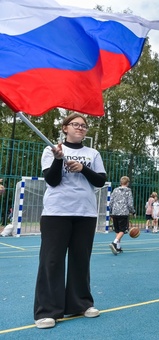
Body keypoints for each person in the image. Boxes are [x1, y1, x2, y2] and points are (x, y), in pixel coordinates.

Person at [34, 113, 107, 329]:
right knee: (52, 261)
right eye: (76, 125)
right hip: (57, 212)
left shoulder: (92, 153)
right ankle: (48, 311)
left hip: (85, 213)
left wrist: (83, 169)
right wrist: (59, 160)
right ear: (65, 128)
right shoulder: (51, 150)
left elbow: (100, 181)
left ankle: (80, 304)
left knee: (80, 260)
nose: (81, 128)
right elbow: (52, 181)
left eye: (84, 126)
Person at [109, 176, 135, 255]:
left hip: (115, 212)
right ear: (127, 183)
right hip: (123, 212)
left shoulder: (115, 190)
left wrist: (110, 212)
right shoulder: (128, 191)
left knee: (117, 230)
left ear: (120, 182)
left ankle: (118, 247)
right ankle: (114, 243)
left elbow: (111, 202)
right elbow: (130, 203)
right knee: (123, 230)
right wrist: (133, 211)